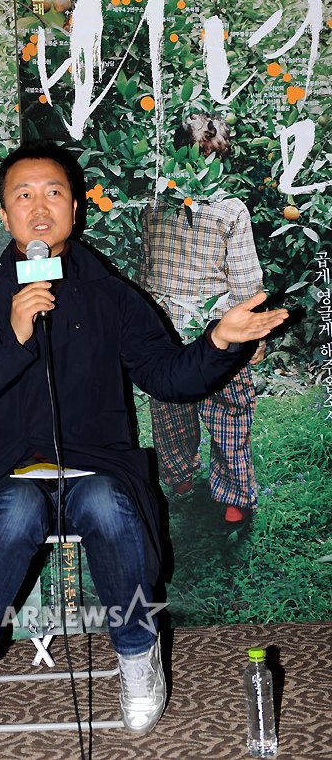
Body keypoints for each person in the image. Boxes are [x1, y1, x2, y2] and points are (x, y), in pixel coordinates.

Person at [0, 142, 287, 744]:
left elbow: (169, 377)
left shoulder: (112, 296)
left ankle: (137, 653)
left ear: (74, 209)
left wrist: (219, 342)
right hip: (8, 471)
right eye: (24, 195)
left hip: (97, 464)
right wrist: (15, 335)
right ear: (3, 213)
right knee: (15, 508)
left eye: (53, 193)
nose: (39, 208)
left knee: (104, 499)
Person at [139, 113, 265, 527]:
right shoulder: (230, 211)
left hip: (163, 326)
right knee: (229, 410)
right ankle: (233, 497)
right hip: (217, 330)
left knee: (170, 406)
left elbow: (145, 269)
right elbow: (245, 279)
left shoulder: (153, 204)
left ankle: (179, 477)